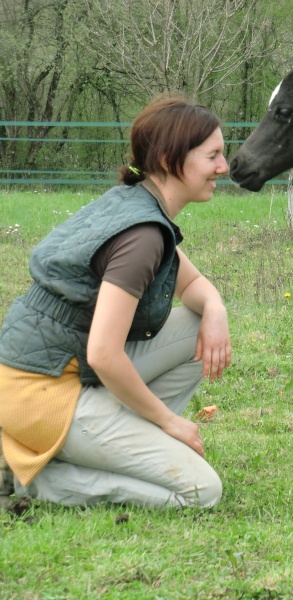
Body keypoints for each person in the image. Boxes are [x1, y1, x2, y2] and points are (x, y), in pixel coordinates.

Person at [0, 94, 231, 508]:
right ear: (167, 158)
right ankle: (32, 482)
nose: (223, 168)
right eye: (212, 155)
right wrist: (169, 422)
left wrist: (215, 309)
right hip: (41, 396)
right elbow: (105, 355)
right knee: (201, 491)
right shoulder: (141, 236)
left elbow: (192, 283)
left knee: (199, 328)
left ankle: (119, 443)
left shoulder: (134, 205)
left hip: (55, 373)